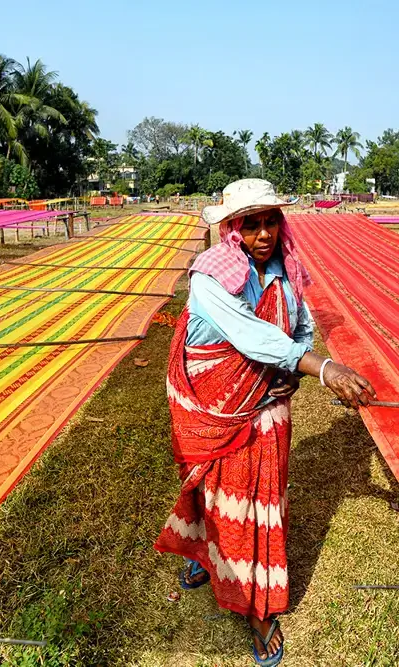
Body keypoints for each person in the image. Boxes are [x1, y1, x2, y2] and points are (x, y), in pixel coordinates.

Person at [155, 178, 376, 666]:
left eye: (270, 221)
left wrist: (292, 375)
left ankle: (251, 599)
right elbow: (251, 336)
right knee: (209, 484)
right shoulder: (209, 279)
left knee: (260, 498)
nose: (263, 234)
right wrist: (321, 368)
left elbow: (299, 327)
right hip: (210, 402)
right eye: (250, 224)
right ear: (232, 230)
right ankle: (218, 568)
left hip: (269, 397)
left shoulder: (284, 269)